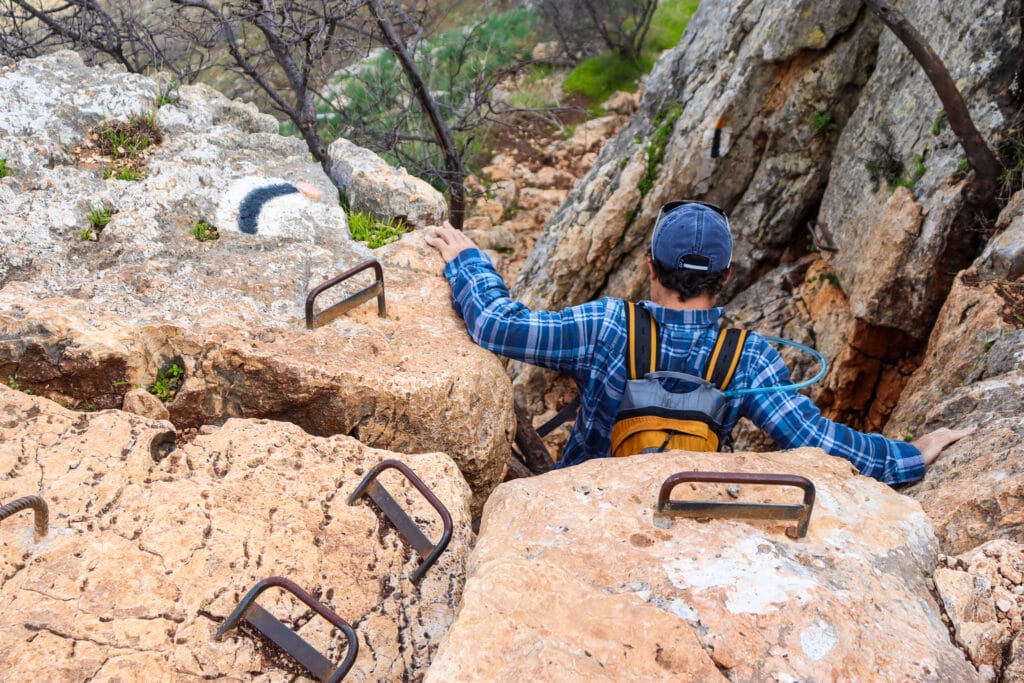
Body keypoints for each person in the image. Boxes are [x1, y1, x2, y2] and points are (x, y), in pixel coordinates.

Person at [424, 200, 973, 485]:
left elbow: (497, 325)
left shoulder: (607, 324)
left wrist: (469, 260)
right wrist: (911, 455)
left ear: (649, 268)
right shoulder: (750, 356)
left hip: (589, 500)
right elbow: (817, 441)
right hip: (688, 510)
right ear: (726, 275)